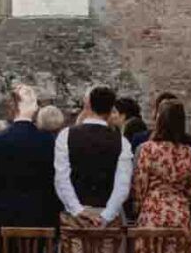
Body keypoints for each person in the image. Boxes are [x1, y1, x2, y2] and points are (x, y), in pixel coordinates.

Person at [0, 83, 59, 242]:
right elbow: (53, 181)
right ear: (34, 107)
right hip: (40, 218)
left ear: (13, 106)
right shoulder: (48, 141)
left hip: (4, 218)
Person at [53, 84, 133, 226]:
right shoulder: (122, 142)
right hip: (107, 218)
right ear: (111, 109)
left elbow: (62, 178)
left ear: (88, 105)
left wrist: (77, 210)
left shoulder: (66, 135)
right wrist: (106, 216)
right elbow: (122, 185)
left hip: (75, 219)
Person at [133, 97, 191, 229]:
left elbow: (140, 186)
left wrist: (139, 206)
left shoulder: (148, 149)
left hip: (152, 211)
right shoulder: (188, 152)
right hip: (180, 214)